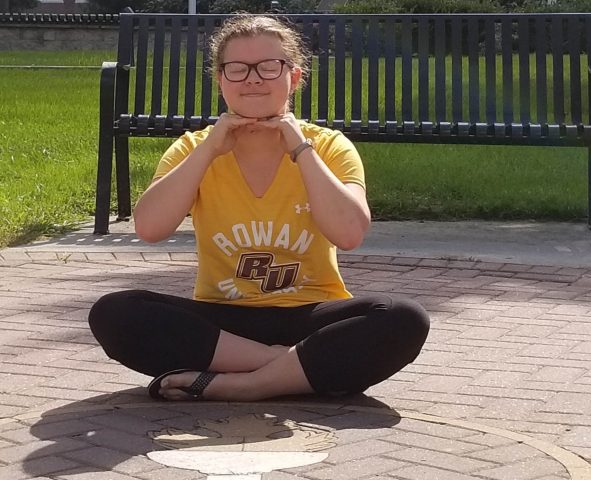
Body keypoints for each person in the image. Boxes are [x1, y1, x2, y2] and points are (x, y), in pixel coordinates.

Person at [88, 14, 429, 402]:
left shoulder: (329, 146)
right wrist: (210, 150)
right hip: (223, 325)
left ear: (294, 78)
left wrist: (300, 149)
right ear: (220, 80)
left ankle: (243, 385)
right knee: (114, 312)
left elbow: (349, 233)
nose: (253, 79)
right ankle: (286, 368)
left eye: (269, 67)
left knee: (403, 318)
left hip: (310, 314)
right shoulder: (193, 147)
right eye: (237, 69)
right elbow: (149, 228)